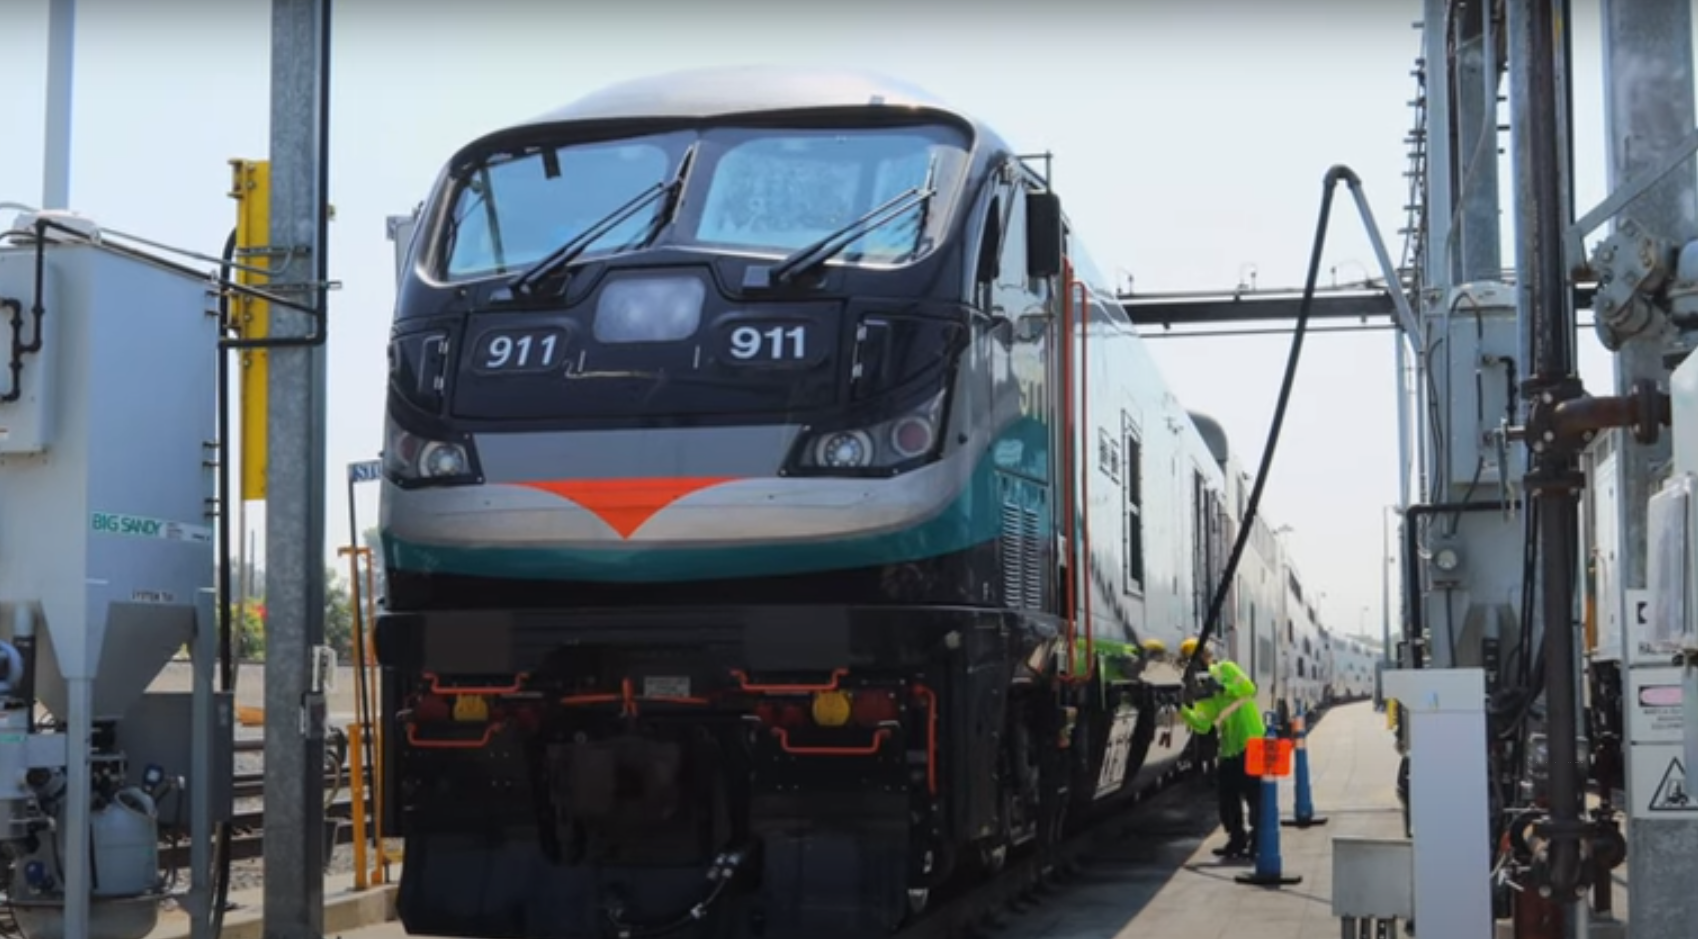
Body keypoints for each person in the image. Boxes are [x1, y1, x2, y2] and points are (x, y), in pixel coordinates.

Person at [1178, 636, 1266, 860]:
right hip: (1229, 747)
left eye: (1197, 660)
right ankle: (1236, 838)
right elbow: (1203, 725)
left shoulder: (1226, 669)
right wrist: (1181, 708)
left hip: (1253, 740)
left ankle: (1259, 841)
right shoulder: (1201, 696)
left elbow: (1248, 688)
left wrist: (1222, 687)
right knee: (1227, 796)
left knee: (1255, 796)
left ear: (1206, 658)